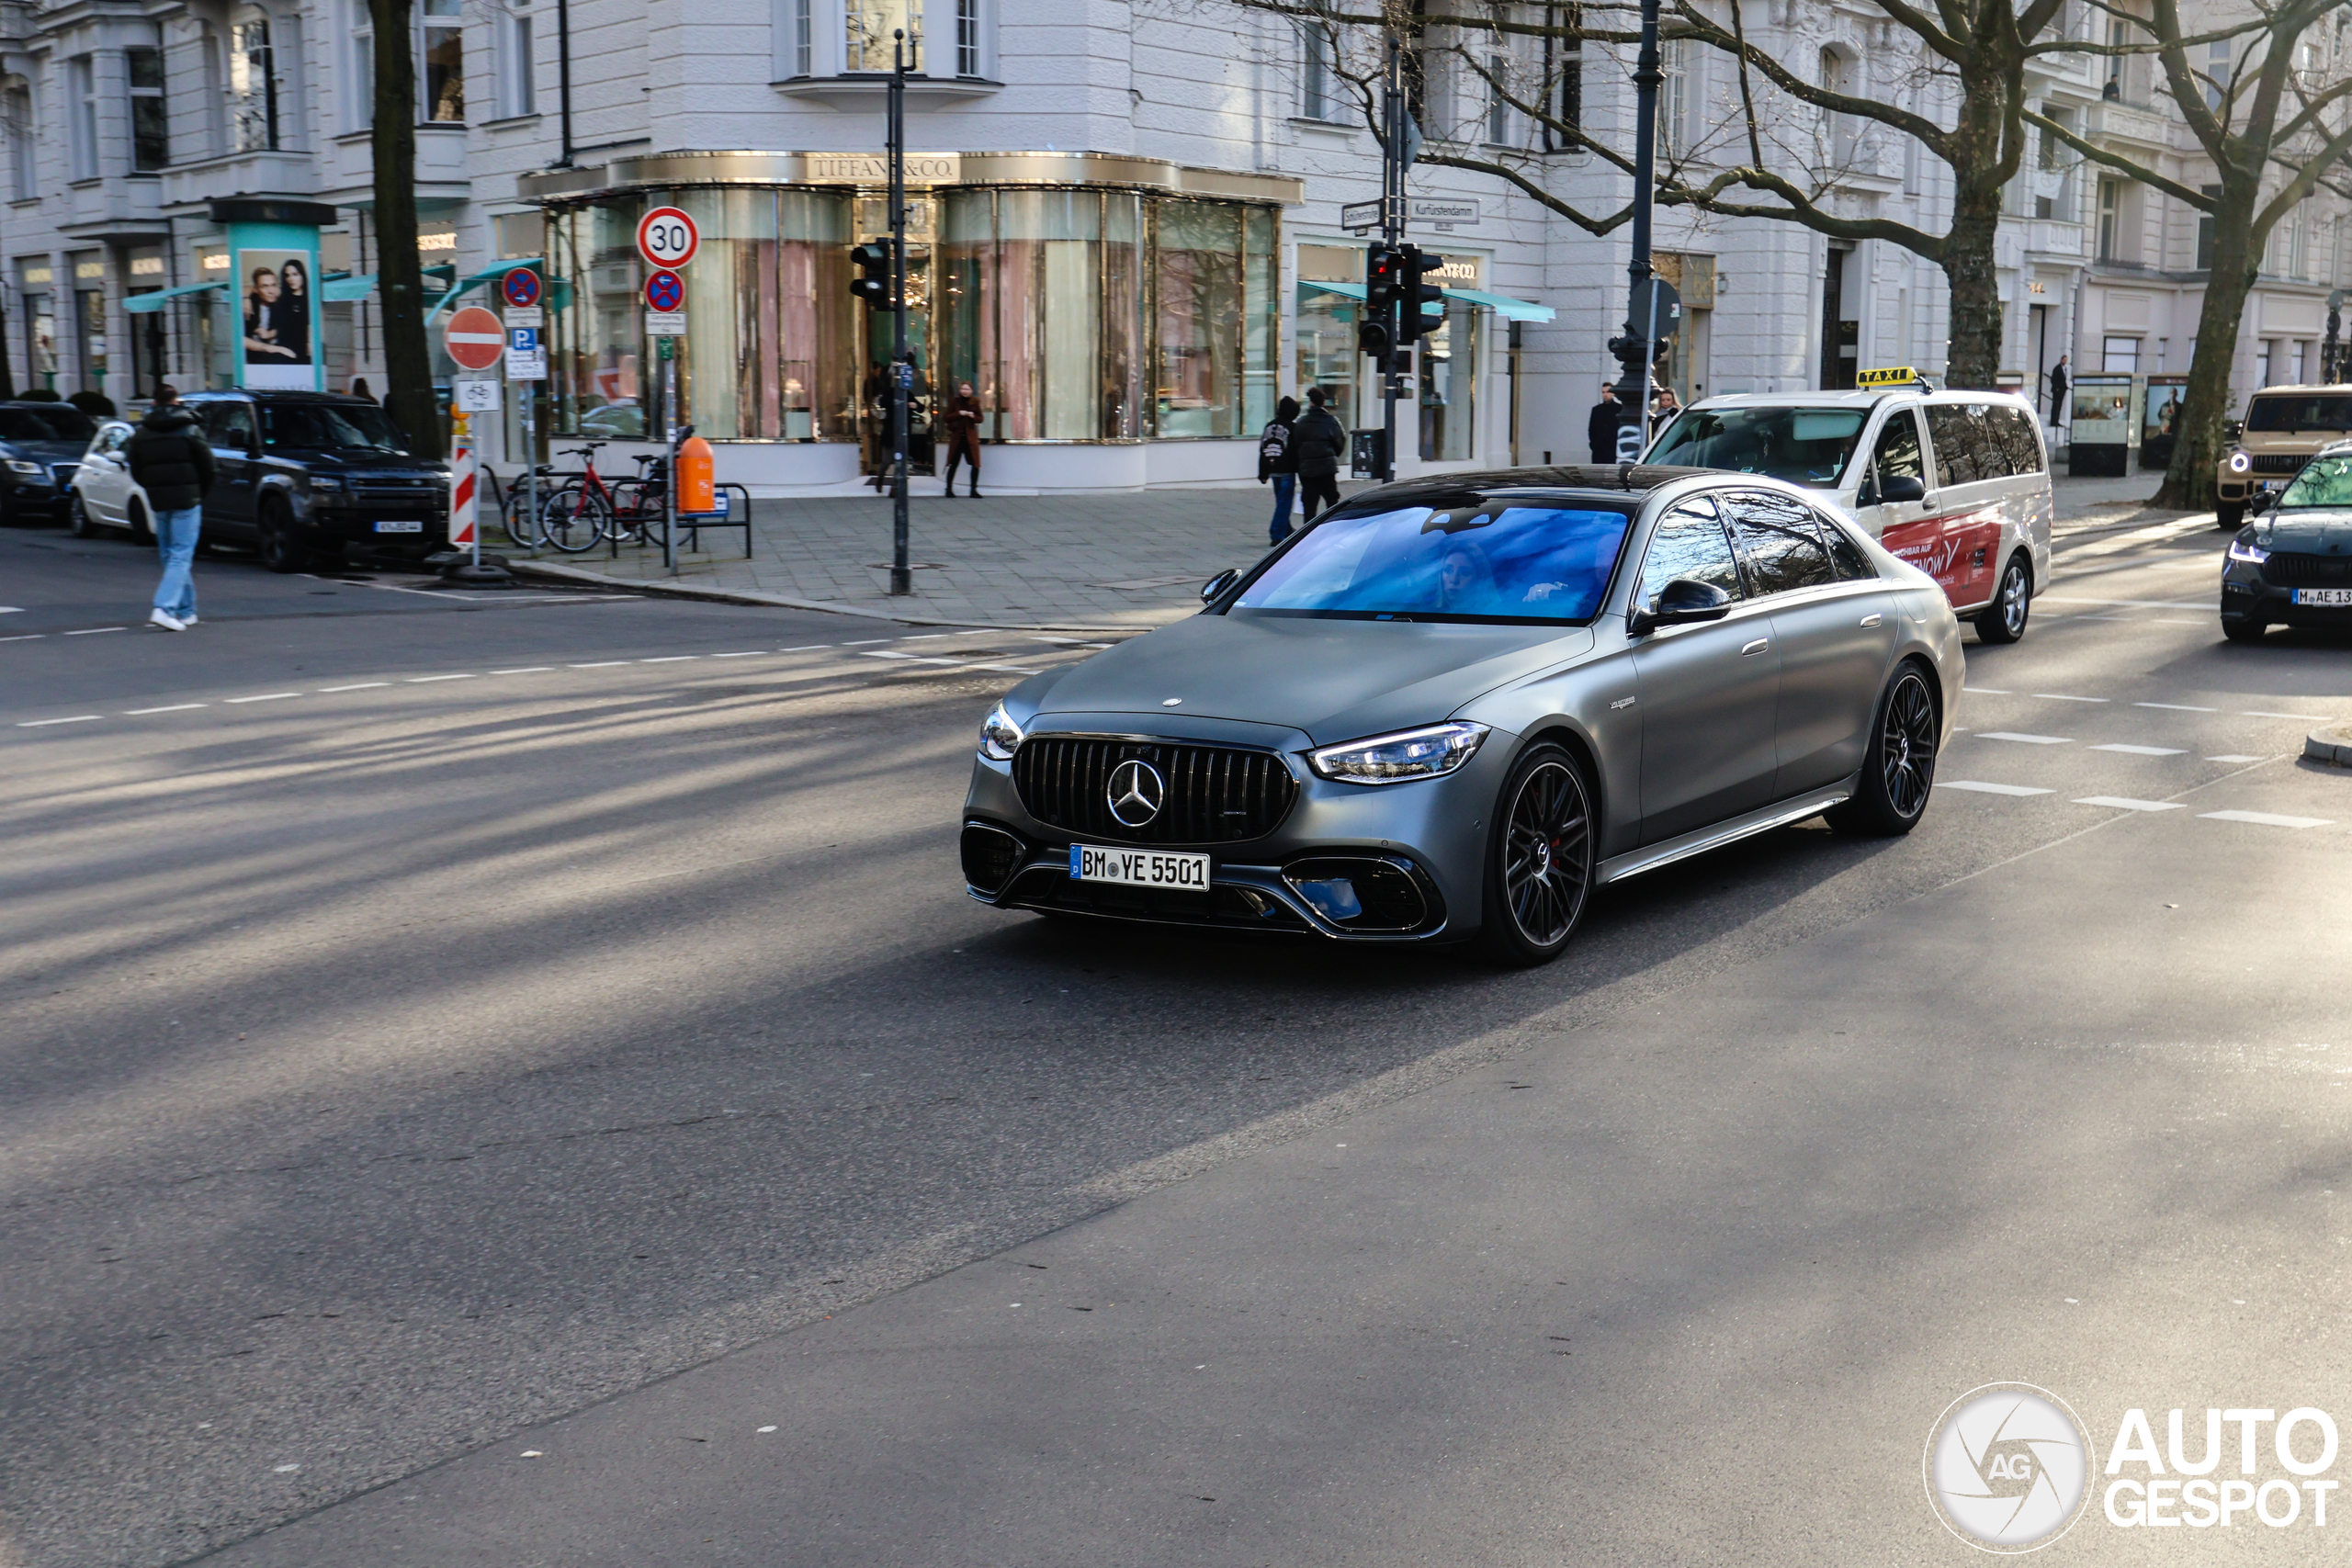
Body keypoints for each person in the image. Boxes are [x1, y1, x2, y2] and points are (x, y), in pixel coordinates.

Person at [125, 385, 215, 632]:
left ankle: (186, 611)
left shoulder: (141, 434)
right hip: (188, 498)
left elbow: (135, 468)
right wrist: (199, 492)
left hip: (159, 500)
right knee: (181, 555)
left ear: (153, 403)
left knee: (169, 554)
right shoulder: (190, 429)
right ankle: (164, 608)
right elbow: (209, 466)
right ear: (176, 402)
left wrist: (153, 486)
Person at [1293, 387, 1348, 522]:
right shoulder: (1331, 421)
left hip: (1307, 469)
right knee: (1332, 501)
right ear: (1323, 403)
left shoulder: (1301, 422)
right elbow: (1341, 440)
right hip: (1326, 468)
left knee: (1309, 504)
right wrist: (1331, 455)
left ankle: (1308, 533)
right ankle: (1332, 528)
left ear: (1310, 403)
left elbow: (1295, 444)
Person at [1257, 394, 1300, 544]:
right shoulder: (1292, 427)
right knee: (1285, 501)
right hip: (1287, 470)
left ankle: (1286, 528)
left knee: (1281, 501)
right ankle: (1276, 533)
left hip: (1273, 469)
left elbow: (1262, 450)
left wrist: (1263, 473)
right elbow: (1295, 451)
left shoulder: (1269, 426)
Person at [941, 379, 983, 498]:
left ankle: (973, 490)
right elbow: (946, 417)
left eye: (967, 389)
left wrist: (972, 415)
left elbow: (980, 419)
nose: (964, 392)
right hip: (957, 437)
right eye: (963, 389)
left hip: (970, 438)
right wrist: (959, 413)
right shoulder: (955, 402)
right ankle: (948, 489)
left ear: (971, 391)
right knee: (953, 463)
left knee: (975, 464)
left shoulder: (975, 402)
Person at [244, 267, 297, 361]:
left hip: (281, 353)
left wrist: (271, 334)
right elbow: (240, 339)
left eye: (273, 285)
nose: (271, 291)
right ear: (256, 289)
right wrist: (246, 298)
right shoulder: (249, 306)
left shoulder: (283, 303)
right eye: (265, 286)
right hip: (256, 355)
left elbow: (291, 326)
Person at [276, 259, 312, 364]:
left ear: (302, 276)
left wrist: (309, 342)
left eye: (295, 274)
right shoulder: (282, 298)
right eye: (287, 275)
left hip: (305, 349)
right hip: (285, 349)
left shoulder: (310, 298)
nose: (291, 279)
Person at [1587, 383, 1621, 464]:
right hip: (1598, 449)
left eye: (1608, 392)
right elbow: (1591, 429)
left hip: (1613, 448)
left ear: (1613, 393)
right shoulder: (1596, 410)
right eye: (1603, 392)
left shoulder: (1620, 409)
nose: (1605, 395)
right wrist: (1593, 444)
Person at [2047, 353, 2070, 428]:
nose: (2065, 361)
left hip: (2062, 389)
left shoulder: (2065, 369)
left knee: (2059, 406)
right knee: (2056, 406)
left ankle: (2057, 421)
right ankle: (2053, 421)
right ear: (2061, 360)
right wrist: (2056, 388)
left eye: (2066, 360)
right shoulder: (2057, 368)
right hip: (2057, 390)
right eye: (2064, 360)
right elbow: (2053, 379)